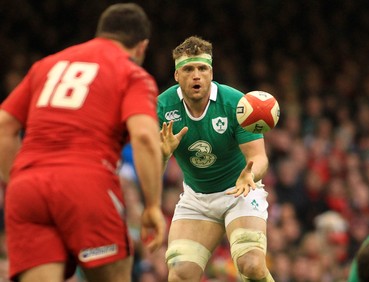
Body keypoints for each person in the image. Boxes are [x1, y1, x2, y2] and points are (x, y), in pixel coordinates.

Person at [0, 3, 165, 282]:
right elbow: (146, 137)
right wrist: (152, 205)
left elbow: (4, 125)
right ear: (141, 47)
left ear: (100, 34)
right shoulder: (132, 74)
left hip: (26, 188)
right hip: (86, 183)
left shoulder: (47, 65)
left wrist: (15, 177)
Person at [158, 36, 274, 282]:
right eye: (188, 69)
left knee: (251, 265)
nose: (196, 75)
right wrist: (162, 155)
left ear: (212, 72)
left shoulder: (236, 104)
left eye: (202, 68)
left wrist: (250, 175)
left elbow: (259, 158)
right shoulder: (162, 107)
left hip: (240, 191)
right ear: (177, 75)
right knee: (179, 275)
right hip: (197, 198)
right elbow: (150, 171)